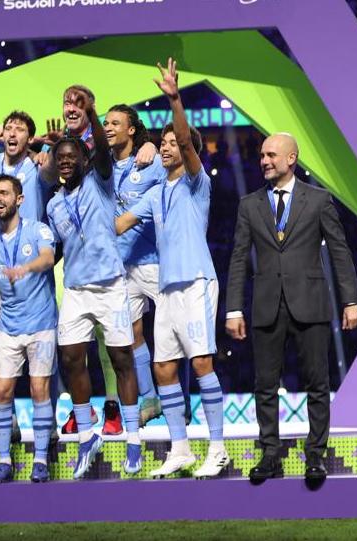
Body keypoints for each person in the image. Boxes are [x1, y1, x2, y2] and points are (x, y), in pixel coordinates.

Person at [226, 131, 357, 485]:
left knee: (318, 383)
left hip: (311, 304)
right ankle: (270, 454)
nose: (264, 161)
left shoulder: (318, 200)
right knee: (265, 385)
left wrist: (351, 300)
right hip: (266, 305)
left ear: (291, 159)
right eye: (262, 156)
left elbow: (339, 250)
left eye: (271, 155)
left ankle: (315, 455)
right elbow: (239, 258)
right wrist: (233, 309)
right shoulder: (249, 204)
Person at [115, 59, 229, 478]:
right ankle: (180, 449)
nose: (165, 147)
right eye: (160, 143)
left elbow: (184, 136)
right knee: (164, 367)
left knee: (200, 364)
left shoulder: (197, 184)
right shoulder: (156, 192)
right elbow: (118, 224)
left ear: (186, 150)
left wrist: (175, 99)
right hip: (166, 291)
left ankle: (217, 448)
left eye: (172, 143)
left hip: (197, 283)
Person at [44, 90, 141, 479]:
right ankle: (87, 436)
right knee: (70, 357)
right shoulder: (52, 205)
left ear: (85, 160)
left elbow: (102, 149)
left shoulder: (101, 182)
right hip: (77, 289)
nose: (66, 163)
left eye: (72, 158)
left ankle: (133, 441)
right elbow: (61, 250)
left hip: (111, 286)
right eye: (60, 159)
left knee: (121, 360)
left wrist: (94, 114)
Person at [0, 175, 60, 483]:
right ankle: (4, 460)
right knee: (1, 391)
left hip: (40, 323)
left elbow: (48, 258)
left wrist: (25, 268)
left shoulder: (38, 230)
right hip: (8, 326)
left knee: (39, 389)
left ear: (19, 199)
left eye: (4, 193)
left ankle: (40, 459)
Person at [104, 104, 167, 424]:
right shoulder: (102, 166)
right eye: (105, 123)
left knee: (175, 332)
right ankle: (150, 398)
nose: (108, 127)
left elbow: (183, 165)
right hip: (122, 264)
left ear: (132, 129)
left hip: (156, 260)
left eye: (116, 122)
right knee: (130, 334)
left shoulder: (152, 161)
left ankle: (178, 401)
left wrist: (152, 144)